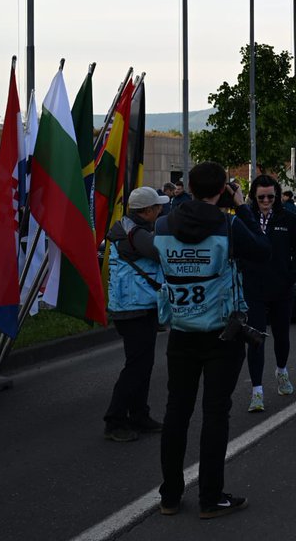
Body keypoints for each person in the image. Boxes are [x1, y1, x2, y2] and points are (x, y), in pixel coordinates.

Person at [154, 162, 270, 519]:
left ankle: (170, 496)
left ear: (188, 186)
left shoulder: (163, 224)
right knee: (215, 413)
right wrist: (243, 207)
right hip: (222, 331)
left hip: (182, 329)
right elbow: (262, 251)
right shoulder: (229, 223)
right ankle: (210, 497)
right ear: (222, 189)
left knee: (177, 412)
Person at [103, 186, 171, 442]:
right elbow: (160, 253)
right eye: (158, 207)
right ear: (147, 211)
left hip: (135, 306)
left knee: (142, 365)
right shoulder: (136, 234)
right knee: (136, 367)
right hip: (134, 309)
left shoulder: (129, 228)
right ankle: (115, 420)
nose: (162, 210)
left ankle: (139, 415)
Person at [241, 174, 296, 413]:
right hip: (253, 290)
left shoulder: (287, 218)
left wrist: (293, 274)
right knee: (255, 340)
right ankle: (257, 391)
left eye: (271, 196)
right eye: (261, 197)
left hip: (282, 289)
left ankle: (281, 371)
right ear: (253, 196)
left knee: (282, 336)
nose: (266, 200)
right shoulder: (244, 217)